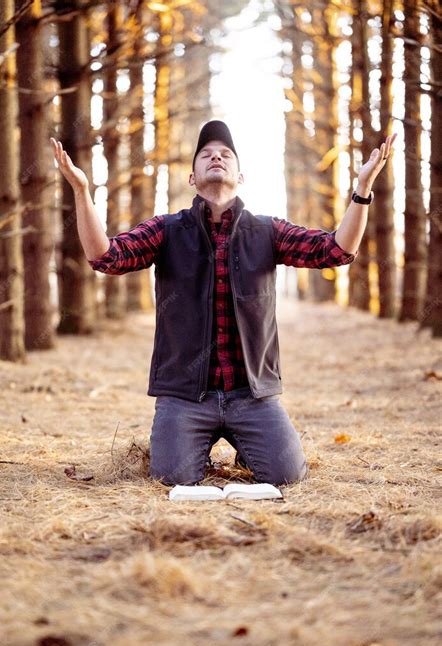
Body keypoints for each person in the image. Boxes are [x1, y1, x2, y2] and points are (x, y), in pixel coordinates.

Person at [50, 121, 396, 487]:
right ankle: (194, 442)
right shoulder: (166, 231)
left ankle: (252, 444)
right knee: (172, 480)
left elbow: (337, 251)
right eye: (206, 154)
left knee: (287, 476)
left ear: (240, 176)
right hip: (185, 397)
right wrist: (82, 190)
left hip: (252, 396)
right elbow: (105, 257)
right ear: (191, 177)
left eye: (225, 154)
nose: (216, 156)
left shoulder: (268, 231)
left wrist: (362, 189)